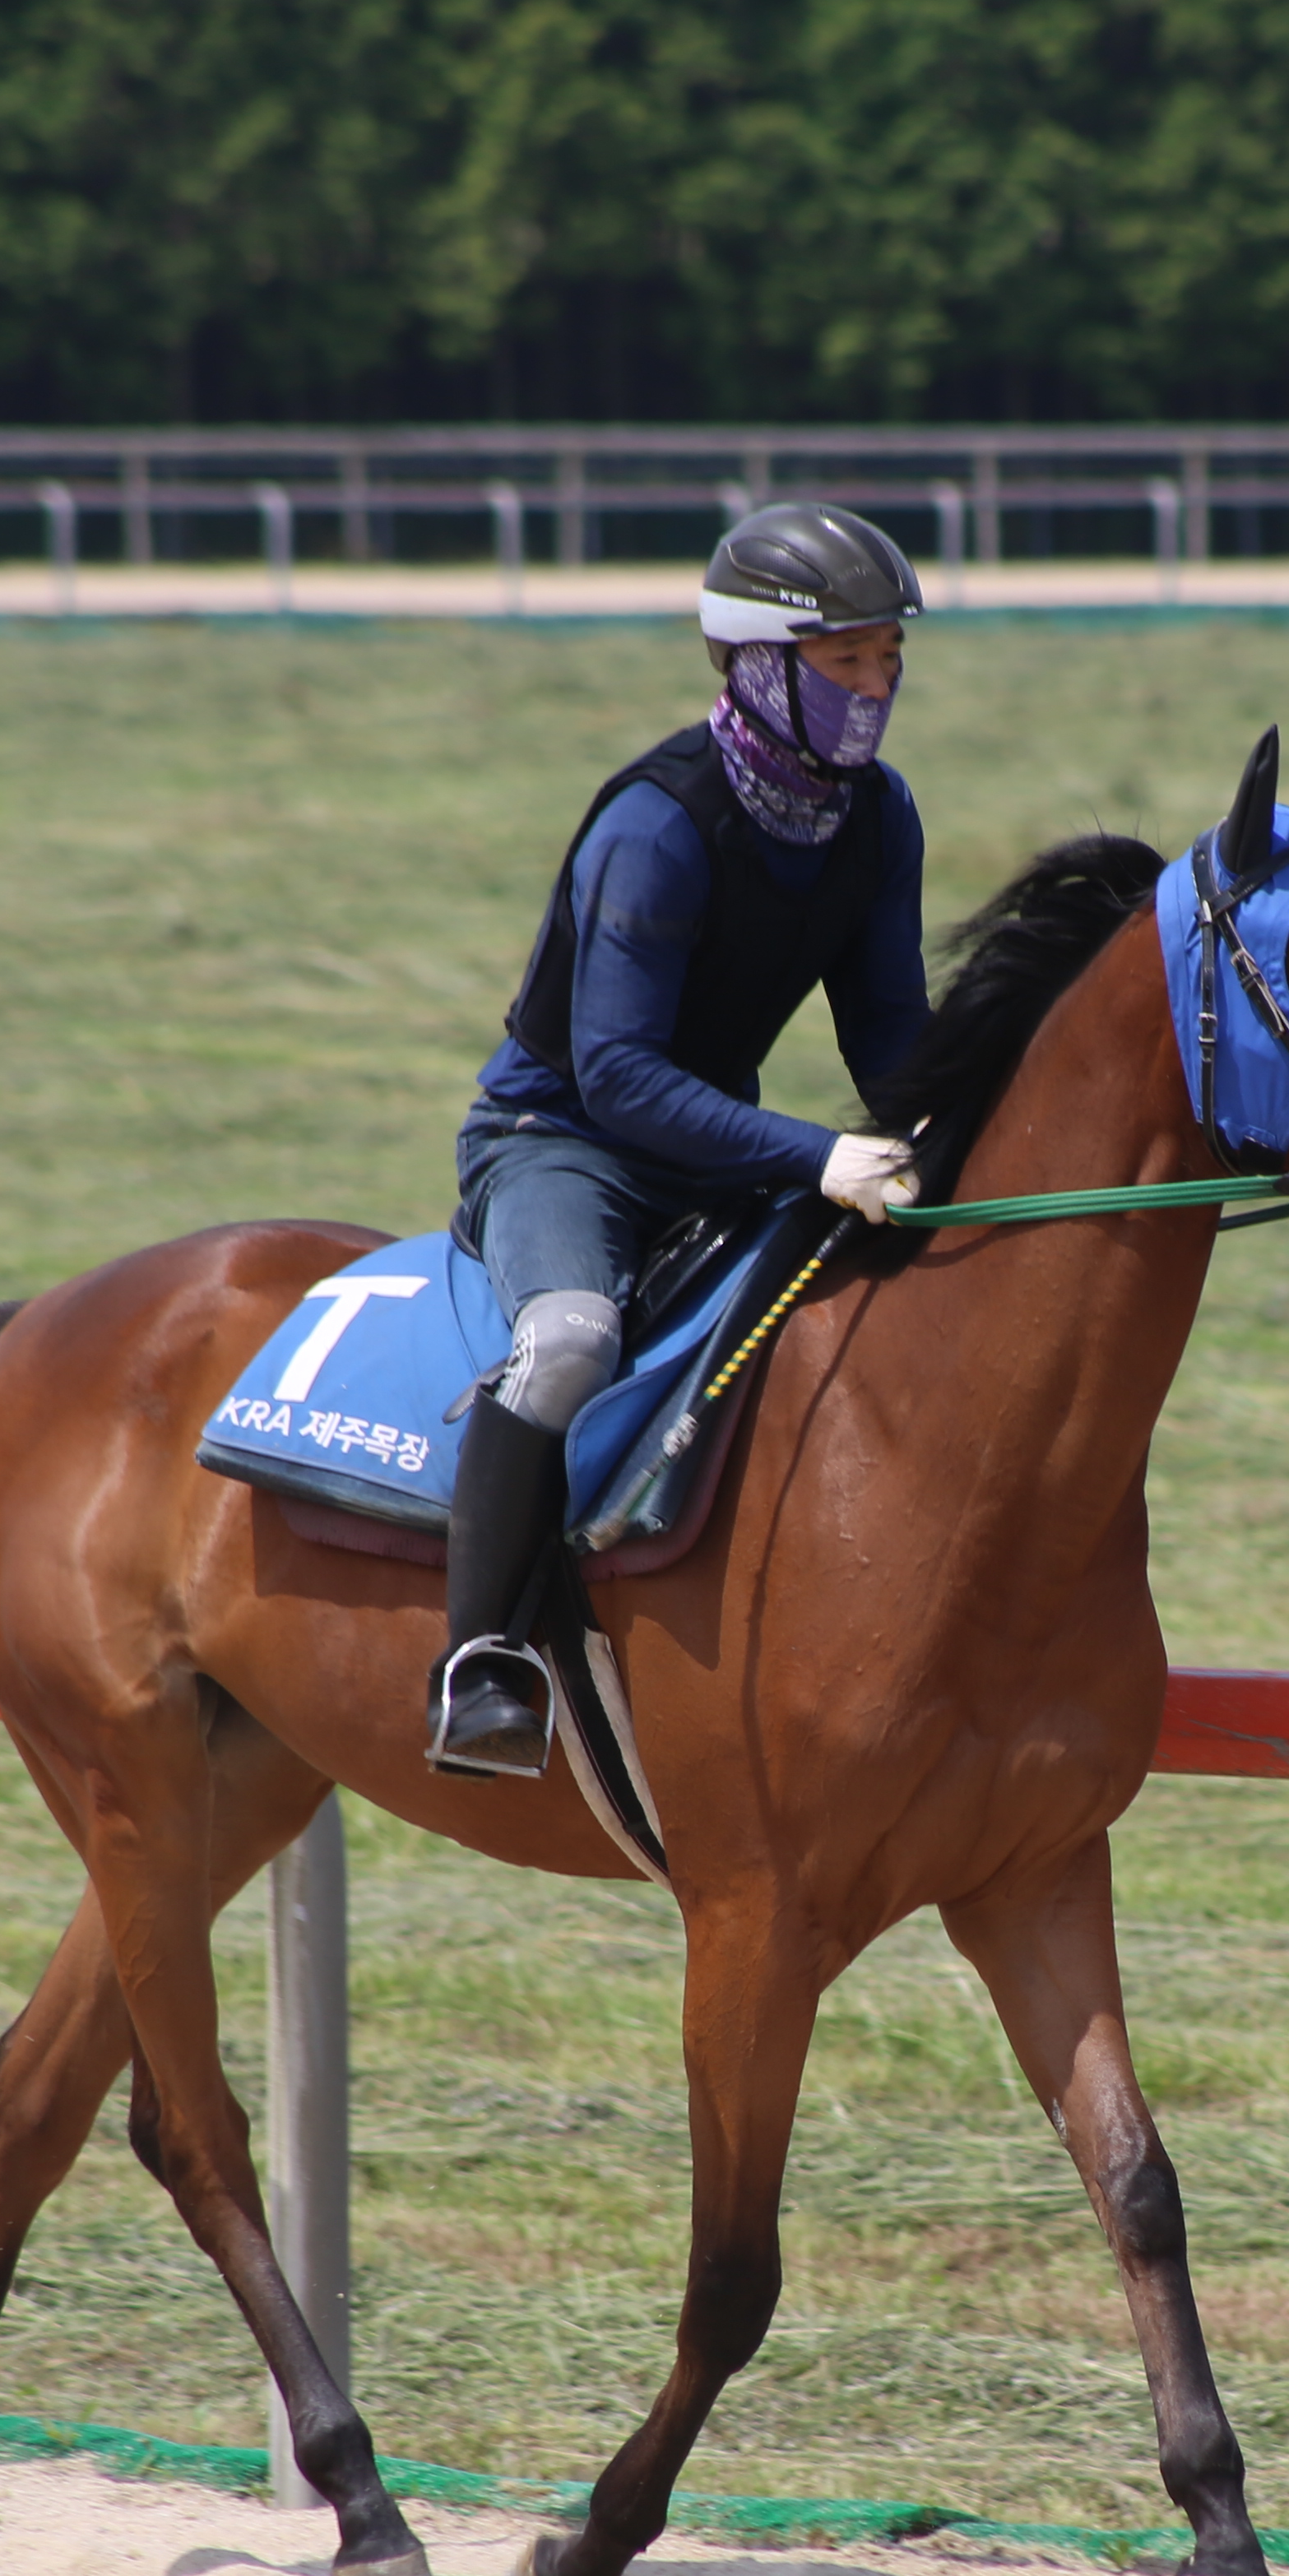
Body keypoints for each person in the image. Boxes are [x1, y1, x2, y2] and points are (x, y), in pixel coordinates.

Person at [428, 500, 936, 1777]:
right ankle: (481, 1662)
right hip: (563, 1139)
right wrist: (819, 1156)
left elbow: (891, 1043)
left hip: (711, 1142)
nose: (875, 688)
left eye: (889, 659)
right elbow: (616, 1077)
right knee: (570, 1346)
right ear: (757, 665)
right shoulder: (657, 825)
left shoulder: (878, 818)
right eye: (847, 662)